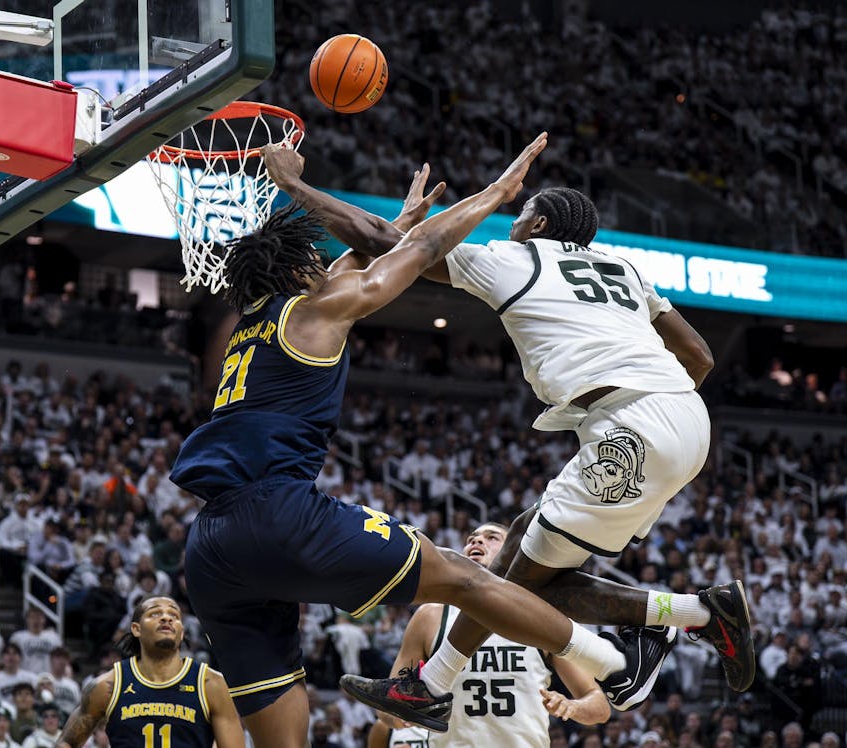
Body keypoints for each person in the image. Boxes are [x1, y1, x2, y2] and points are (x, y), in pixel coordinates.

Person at [168, 136, 670, 748]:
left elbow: (360, 262)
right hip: (278, 514)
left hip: (211, 547)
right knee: (466, 578)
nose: (326, 266)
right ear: (299, 271)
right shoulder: (317, 309)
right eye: (314, 261)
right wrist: (497, 194)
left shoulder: (254, 327)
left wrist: (399, 221)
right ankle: (613, 663)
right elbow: (425, 250)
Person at [262, 147, 755, 728]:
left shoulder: (516, 260)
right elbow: (699, 356)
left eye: (520, 215)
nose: (511, 222)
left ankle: (681, 620)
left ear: (538, 224)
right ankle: (685, 618)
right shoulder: (624, 270)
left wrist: (294, 185)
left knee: (513, 589)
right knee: (520, 554)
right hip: (686, 417)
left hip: (633, 427)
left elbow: (384, 242)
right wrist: (655, 412)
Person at [369, 522, 610, 748]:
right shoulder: (430, 616)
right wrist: (399, 717)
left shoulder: (541, 616)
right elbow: (387, 705)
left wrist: (571, 707)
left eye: (491, 537)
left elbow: (598, 705)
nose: (476, 541)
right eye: (471, 539)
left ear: (513, 554)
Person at [53, 595, 242, 748]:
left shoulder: (211, 684)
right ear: (136, 629)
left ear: (182, 632)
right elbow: (67, 742)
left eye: (174, 615)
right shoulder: (108, 685)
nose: (167, 618)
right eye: (155, 613)